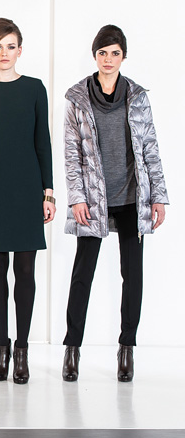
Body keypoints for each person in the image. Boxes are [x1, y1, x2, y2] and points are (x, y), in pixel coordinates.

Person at [61, 25, 168, 383]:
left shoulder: (137, 96)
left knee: (132, 275)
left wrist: (158, 196)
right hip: (93, 199)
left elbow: (150, 147)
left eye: (115, 53)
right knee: (82, 274)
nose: (108, 60)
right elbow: (72, 154)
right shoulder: (78, 97)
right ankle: (72, 348)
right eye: (103, 53)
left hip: (131, 197)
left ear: (124, 56)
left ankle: (127, 348)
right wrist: (77, 197)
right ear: (95, 56)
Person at [0, 17, 55, 384]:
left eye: (11, 46)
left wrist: (48, 192)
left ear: (20, 50)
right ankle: (1, 347)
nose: (5, 52)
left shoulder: (34, 88)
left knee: (26, 271)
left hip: (27, 186)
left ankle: (22, 350)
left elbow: (42, 141)